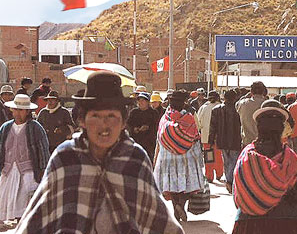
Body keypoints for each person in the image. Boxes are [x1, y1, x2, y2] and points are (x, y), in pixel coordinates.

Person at [16, 71, 183, 233]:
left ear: (124, 121)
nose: (104, 125)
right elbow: (36, 219)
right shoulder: (66, 157)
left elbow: (159, 220)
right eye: (95, 116)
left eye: (111, 116)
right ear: (82, 120)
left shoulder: (135, 158)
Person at [232, 99, 297, 234]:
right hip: (288, 222)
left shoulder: (246, 158)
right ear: (281, 129)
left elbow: (238, 196)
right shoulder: (291, 160)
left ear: (258, 128)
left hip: (249, 223)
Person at [154, 89, 205, 222]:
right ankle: (180, 205)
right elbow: (195, 136)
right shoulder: (189, 117)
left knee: (172, 186)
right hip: (186, 158)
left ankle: (176, 206)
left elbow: (159, 139)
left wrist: (156, 158)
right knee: (186, 187)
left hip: (167, 158)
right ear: (184, 103)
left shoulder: (164, 118)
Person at [0, 94, 49, 223]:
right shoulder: (5, 128)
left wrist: (44, 171)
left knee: (25, 204)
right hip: (8, 170)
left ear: (27, 111)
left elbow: (43, 150)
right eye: (15, 109)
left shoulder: (35, 128)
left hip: (28, 171)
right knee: (6, 200)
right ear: (11, 110)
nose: (17, 113)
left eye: (21, 110)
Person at [209, 89, 242, 194]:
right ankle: (231, 181)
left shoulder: (216, 110)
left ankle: (229, 181)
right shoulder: (238, 109)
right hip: (235, 140)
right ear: (235, 98)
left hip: (222, 140)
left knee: (226, 161)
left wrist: (211, 140)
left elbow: (212, 127)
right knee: (234, 161)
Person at [197, 90, 224, 183]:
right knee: (219, 157)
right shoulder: (221, 107)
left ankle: (209, 176)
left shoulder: (203, 108)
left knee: (209, 158)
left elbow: (198, 122)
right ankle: (219, 174)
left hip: (206, 138)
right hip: (218, 137)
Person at [127, 92, 159, 161]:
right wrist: (134, 129)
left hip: (149, 143)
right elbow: (128, 124)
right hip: (136, 142)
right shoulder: (133, 112)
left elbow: (157, 126)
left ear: (147, 102)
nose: (140, 102)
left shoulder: (154, 113)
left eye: (142, 100)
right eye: (139, 100)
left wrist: (148, 128)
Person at [236, 81, 267, 146]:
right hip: (264, 143)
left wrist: (246, 96)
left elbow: (236, 105)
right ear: (263, 91)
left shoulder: (242, 103)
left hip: (247, 143)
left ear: (251, 91)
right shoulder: (268, 104)